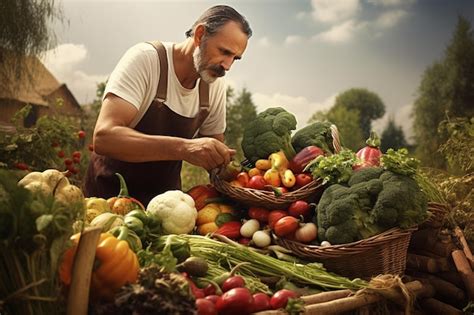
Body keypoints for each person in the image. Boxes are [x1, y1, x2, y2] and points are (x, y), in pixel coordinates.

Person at [84, 5, 252, 206]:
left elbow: (215, 158)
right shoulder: (146, 60)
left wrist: (250, 178)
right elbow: (104, 138)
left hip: (166, 209)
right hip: (108, 200)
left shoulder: (214, 85)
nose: (227, 66)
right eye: (224, 52)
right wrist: (184, 148)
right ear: (200, 35)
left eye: (235, 58)